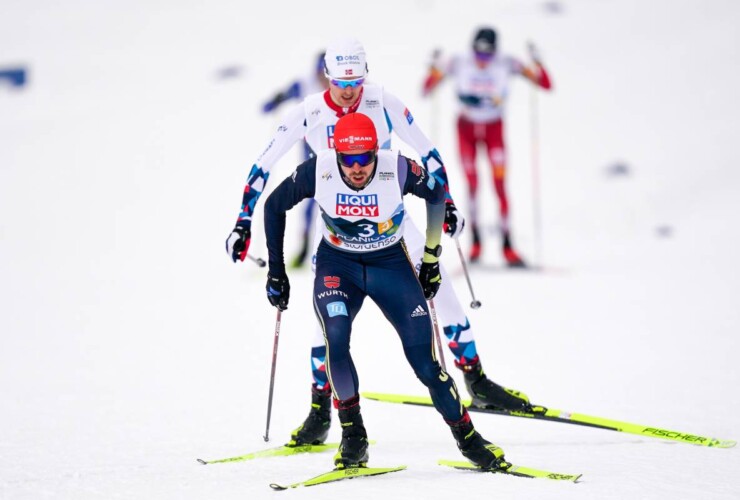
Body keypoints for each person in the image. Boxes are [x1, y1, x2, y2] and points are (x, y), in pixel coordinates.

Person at [226, 37, 534, 450]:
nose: (350, 92)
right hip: (337, 230)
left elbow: (428, 151)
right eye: (340, 83)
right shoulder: (311, 111)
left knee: (442, 296)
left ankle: (475, 379)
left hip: (393, 221)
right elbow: (264, 163)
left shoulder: (383, 100)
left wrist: (450, 203)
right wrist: (243, 222)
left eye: (356, 82)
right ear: (327, 77)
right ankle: (321, 412)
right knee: (328, 325)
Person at [261, 112, 507, 470]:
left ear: (377, 151)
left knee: (425, 364)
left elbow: (437, 194)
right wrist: (277, 271)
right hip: (338, 268)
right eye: (349, 160)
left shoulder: (397, 167)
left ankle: (468, 439)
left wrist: (432, 258)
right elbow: (273, 206)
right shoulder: (320, 169)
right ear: (337, 154)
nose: (357, 168)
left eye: (365, 159)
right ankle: (353, 435)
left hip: (389, 265)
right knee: (337, 339)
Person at [422, 27, 553, 266]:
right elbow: (427, 88)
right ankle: (476, 244)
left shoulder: (507, 62)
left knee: (499, 184)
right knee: (472, 184)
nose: (483, 61)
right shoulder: (458, 62)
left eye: (488, 56)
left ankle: (507, 246)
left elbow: (544, 84)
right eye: (478, 55)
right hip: (466, 129)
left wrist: (537, 62)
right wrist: (433, 68)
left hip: (494, 129)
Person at [261, 51, 329, 268]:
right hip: (310, 148)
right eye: (320, 73)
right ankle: (304, 249)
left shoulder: (341, 88)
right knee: (310, 198)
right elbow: (287, 93)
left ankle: (332, 249)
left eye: (326, 74)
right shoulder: (306, 84)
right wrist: (275, 101)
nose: (323, 79)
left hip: (336, 150)